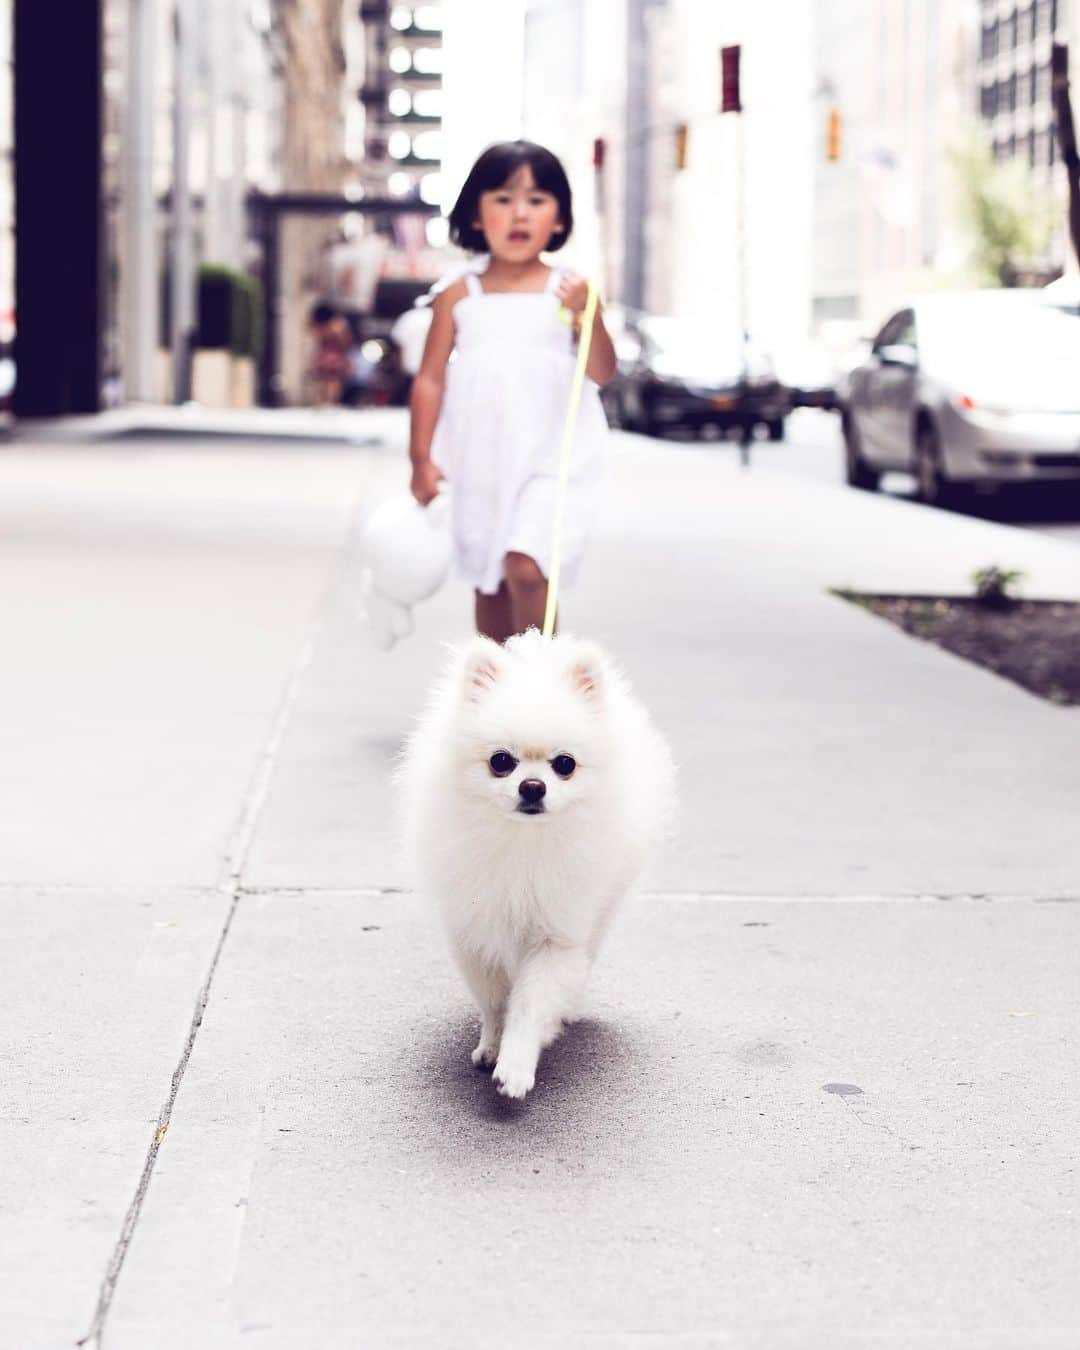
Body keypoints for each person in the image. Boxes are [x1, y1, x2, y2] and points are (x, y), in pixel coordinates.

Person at [408, 140, 617, 643]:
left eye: (537, 200)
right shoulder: (460, 293)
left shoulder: (569, 290)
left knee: (527, 566)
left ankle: (540, 683)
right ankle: (495, 692)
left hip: (553, 459)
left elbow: (603, 371)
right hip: (481, 458)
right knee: (490, 581)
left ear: (560, 220)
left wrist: (588, 316)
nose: (520, 214)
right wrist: (421, 459)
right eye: (503, 199)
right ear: (476, 215)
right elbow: (430, 378)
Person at [307, 301, 351, 407]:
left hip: (326, 355)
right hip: (334, 355)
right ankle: (329, 402)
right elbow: (345, 342)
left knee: (325, 379)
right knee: (331, 379)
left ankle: (323, 401)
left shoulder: (322, 327)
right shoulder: (338, 326)